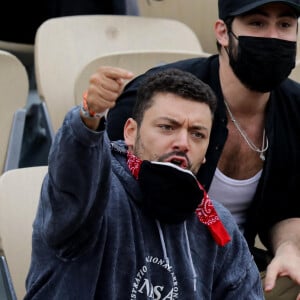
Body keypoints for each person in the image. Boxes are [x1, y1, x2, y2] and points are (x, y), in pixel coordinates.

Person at [81, 0, 300, 299]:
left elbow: (287, 209)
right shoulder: (160, 98)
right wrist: (89, 116)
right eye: (257, 23)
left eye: (285, 25)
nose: (273, 37)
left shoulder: (295, 109)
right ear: (223, 33)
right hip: (150, 274)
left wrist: (289, 249)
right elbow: (95, 193)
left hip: (238, 275)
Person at [24, 69, 263, 299]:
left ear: (206, 153)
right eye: (167, 127)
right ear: (130, 132)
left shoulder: (216, 223)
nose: (182, 142)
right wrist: (90, 115)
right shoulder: (95, 189)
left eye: (197, 134)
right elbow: (74, 174)